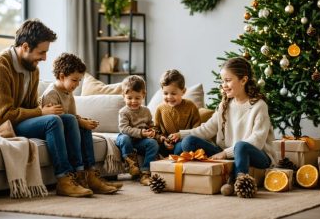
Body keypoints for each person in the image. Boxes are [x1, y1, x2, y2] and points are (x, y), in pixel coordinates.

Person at [0, 19, 101, 198]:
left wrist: (44, 109)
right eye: (42, 52)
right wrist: (42, 112)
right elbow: (5, 115)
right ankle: (64, 180)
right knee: (52, 121)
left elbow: (29, 107)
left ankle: (82, 175)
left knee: (68, 119)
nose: (45, 58)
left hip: (16, 122)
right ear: (25, 46)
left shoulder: (32, 70)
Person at [168, 57, 277, 196]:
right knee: (189, 141)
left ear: (243, 80)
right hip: (226, 153)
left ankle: (237, 182)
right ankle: (211, 177)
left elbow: (257, 141)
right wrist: (180, 135)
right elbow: (207, 129)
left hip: (257, 155)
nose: (223, 85)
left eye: (228, 80)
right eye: (222, 81)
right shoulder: (225, 105)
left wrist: (225, 153)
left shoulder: (259, 106)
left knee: (241, 146)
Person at [40, 52, 121, 194]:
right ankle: (78, 174)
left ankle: (89, 174)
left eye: (79, 81)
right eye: (74, 80)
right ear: (61, 76)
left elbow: (72, 116)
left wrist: (83, 121)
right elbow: (57, 119)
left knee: (84, 126)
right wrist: (79, 121)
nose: (77, 85)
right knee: (77, 122)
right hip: (53, 130)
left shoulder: (68, 92)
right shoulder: (51, 94)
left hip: (67, 125)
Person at [115, 75, 159, 186]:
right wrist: (140, 133)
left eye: (137, 98)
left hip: (140, 141)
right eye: (129, 98)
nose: (133, 101)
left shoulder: (146, 111)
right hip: (126, 137)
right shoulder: (123, 112)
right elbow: (124, 128)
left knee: (153, 143)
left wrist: (152, 131)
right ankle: (131, 164)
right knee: (124, 138)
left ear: (143, 95)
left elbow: (151, 125)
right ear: (123, 96)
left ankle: (145, 172)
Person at [154, 69, 201, 156]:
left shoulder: (190, 106)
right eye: (165, 93)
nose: (169, 97)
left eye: (173, 93)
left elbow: (197, 127)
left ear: (183, 91)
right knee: (153, 145)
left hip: (183, 142)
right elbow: (156, 129)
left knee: (182, 147)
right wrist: (163, 140)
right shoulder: (160, 109)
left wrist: (181, 136)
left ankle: (176, 157)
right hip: (165, 144)